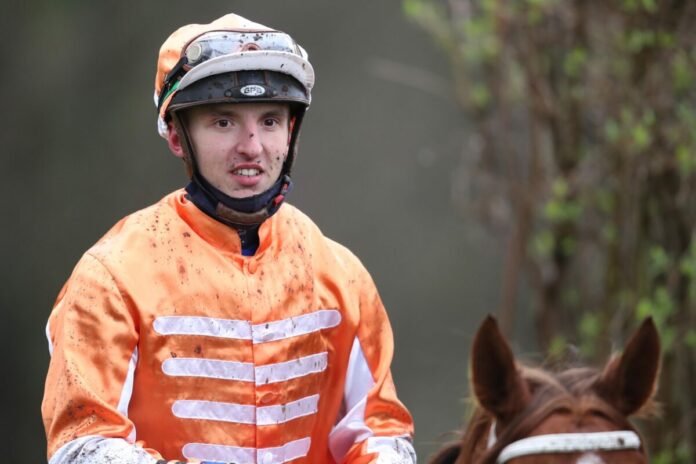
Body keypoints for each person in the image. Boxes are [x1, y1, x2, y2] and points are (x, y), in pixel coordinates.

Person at [41, 12, 416, 464]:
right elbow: (83, 445)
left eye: (270, 121)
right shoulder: (110, 275)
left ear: (290, 132)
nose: (252, 147)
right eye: (224, 122)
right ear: (177, 136)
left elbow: (381, 432)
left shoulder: (341, 276)